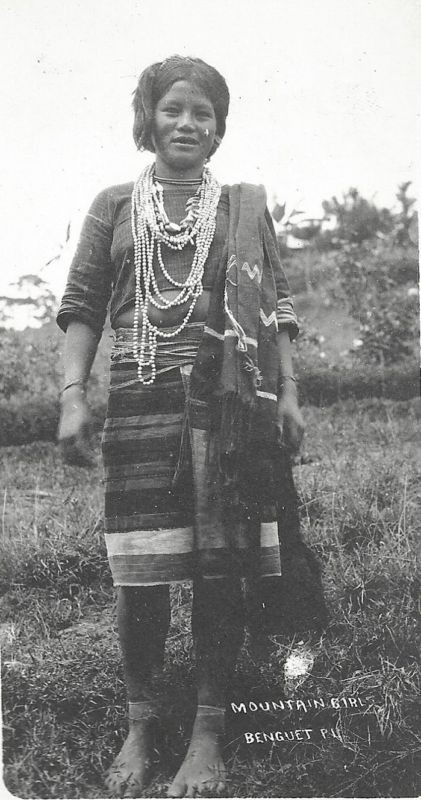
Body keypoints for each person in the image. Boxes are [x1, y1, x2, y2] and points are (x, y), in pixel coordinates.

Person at [57, 55, 305, 798]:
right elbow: (81, 306)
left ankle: (205, 733)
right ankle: (140, 723)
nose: (187, 124)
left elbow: (278, 309)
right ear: (149, 117)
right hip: (138, 400)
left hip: (227, 407)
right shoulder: (112, 204)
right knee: (140, 575)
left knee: (219, 572)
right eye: (173, 110)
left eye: (203, 113)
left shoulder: (241, 207)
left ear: (219, 126)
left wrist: (288, 393)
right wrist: (73, 395)